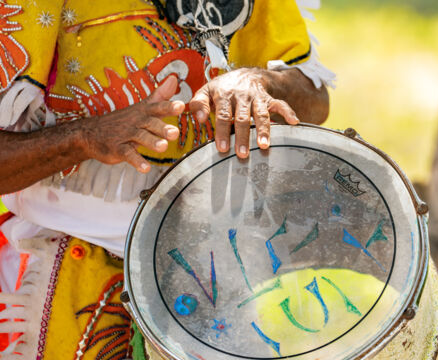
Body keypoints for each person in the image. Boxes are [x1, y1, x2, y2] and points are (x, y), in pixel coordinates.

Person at [0, 0, 333, 358]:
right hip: (58, 277)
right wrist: (85, 138)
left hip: (219, 270)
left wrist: (261, 82)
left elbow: (314, 98)